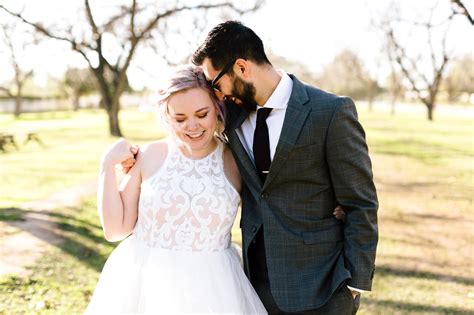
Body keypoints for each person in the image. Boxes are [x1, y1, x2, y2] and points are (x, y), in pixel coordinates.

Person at [190, 21, 379, 314]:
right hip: (257, 284)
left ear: (241, 67)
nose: (218, 95)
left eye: (216, 84)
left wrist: (355, 281)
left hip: (324, 283)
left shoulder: (330, 112)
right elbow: (189, 128)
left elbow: (360, 202)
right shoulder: (231, 117)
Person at [85, 65, 268, 314]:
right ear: (167, 116)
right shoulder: (150, 155)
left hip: (214, 290)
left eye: (201, 114)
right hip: (145, 284)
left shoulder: (238, 163)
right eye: (180, 119)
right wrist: (107, 164)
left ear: (217, 107)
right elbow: (116, 229)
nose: (192, 126)